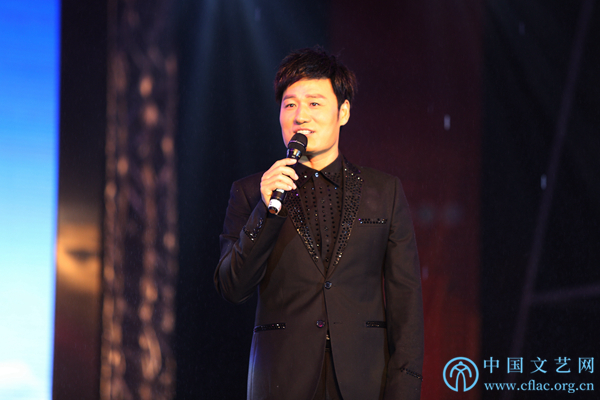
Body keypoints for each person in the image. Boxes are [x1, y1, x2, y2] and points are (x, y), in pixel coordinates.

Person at [215, 47, 423, 400]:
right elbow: (232, 287)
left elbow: (407, 304)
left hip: (365, 382)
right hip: (280, 382)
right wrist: (265, 210)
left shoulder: (383, 191)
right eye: (290, 105)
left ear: (343, 112)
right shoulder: (251, 192)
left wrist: (403, 391)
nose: (300, 116)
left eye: (314, 103)